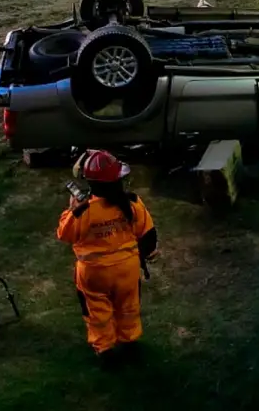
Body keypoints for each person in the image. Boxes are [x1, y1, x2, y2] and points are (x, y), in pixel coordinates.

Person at [56, 149, 159, 368]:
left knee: (97, 312)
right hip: (128, 270)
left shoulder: (84, 210)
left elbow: (65, 235)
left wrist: (70, 209)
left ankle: (105, 350)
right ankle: (130, 340)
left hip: (94, 273)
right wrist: (143, 256)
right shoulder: (132, 203)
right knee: (128, 306)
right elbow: (149, 235)